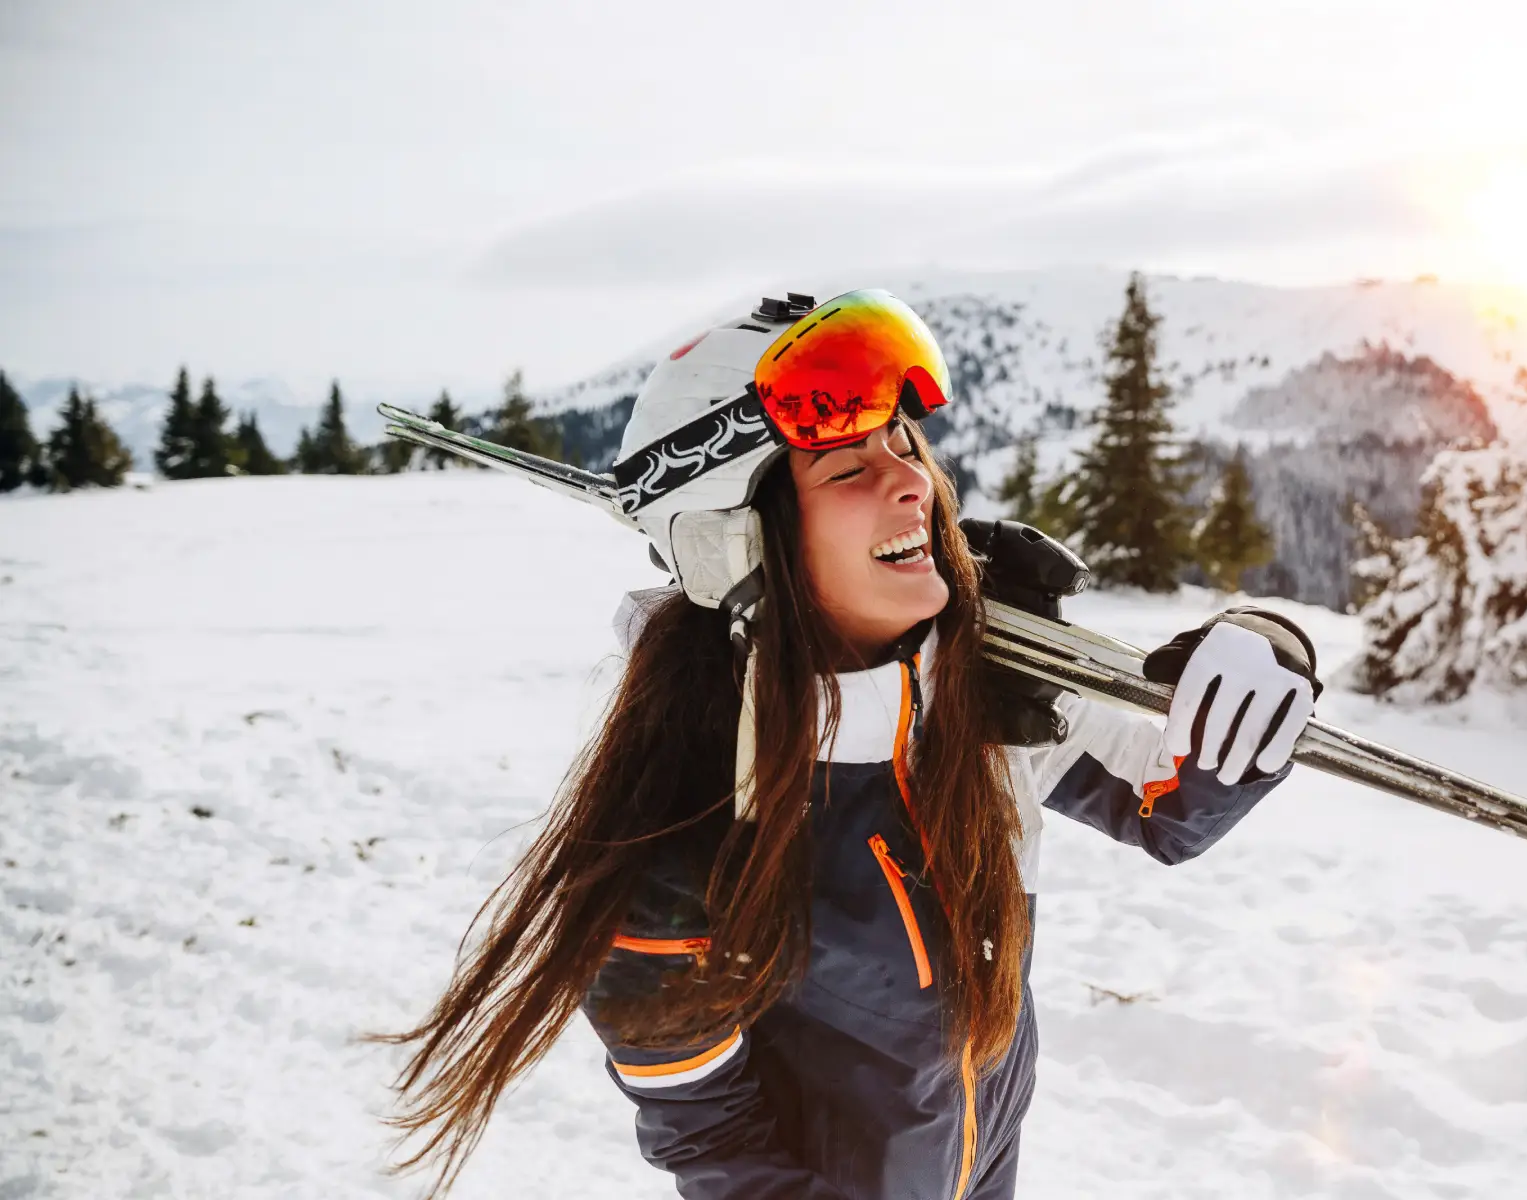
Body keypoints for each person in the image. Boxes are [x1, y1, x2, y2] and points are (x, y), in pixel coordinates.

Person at [375, 290, 1321, 1199]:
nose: (913, 481)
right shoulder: (685, 828)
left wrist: (1264, 660)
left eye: (903, 443)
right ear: (741, 544)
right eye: (845, 469)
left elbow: (1172, 808)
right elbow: (706, 1133)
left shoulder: (983, 698)